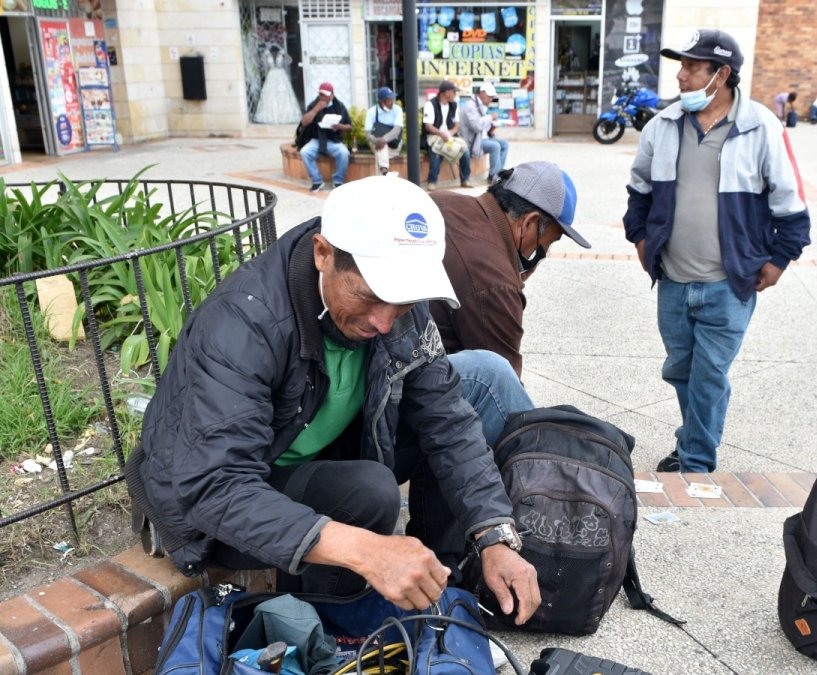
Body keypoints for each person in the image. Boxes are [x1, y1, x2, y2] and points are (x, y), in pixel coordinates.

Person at [124, 176, 541, 625]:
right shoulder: (244, 322)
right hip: (217, 501)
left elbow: (449, 421)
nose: (385, 322)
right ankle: (324, 629)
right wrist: (367, 550)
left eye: (402, 302)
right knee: (371, 493)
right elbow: (214, 488)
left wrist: (494, 535)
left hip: (309, 450)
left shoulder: (396, 296)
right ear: (323, 254)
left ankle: (437, 581)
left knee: (462, 400)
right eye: (371, 296)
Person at [623, 29, 811, 473]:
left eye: (692, 67)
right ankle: (693, 440)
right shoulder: (662, 126)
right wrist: (641, 240)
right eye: (682, 65)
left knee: (709, 374)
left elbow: (791, 204)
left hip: (729, 283)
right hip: (673, 279)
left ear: (722, 74)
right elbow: (639, 191)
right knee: (680, 370)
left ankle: (695, 460)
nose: (681, 75)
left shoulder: (761, 126)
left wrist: (779, 260)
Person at [429, 162, 591, 377]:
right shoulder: (497, 285)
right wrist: (509, 282)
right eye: (550, 240)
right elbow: (503, 388)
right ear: (529, 223)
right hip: (413, 386)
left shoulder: (440, 200)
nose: (545, 251)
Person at [297, 82, 352, 193]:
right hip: (317, 139)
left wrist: (339, 126)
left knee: (344, 153)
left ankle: (338, 181)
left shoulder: (339, 106)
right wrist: (316, 109)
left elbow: (349, 126)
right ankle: (317, 180)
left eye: (325, 95)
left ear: (331, 95)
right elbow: (304, 122)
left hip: (333, 140)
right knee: (305, 152)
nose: (323, 97)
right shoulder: (314, 105)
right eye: (321, 94)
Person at [423, 80, 473, 190]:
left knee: (464, 150)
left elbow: (457, 125)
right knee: (436, 151)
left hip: (450, 136)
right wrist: (441, 133)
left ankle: (465, 179)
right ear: (446, 93)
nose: (455, 94)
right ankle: (432, 181)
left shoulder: (454, 105)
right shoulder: (430, 104)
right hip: (434, 136)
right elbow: (428, 126)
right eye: (454, 92)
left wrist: (450, 133)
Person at [460, 81, 510, 183]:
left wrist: (492, 126)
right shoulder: (470, 105)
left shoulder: (482, 105)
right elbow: (477, 126)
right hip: (472, 141)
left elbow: (484, 128)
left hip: (482, 138)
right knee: (495, 146)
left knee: (504, 144)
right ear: (482, 93)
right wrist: (490, 117)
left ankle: (499, 174)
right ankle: (493, 176)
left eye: (492, 97)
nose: (491, 99)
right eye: (489, 96)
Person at [253, 45, 301, 125]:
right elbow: (263, 66)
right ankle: (271, 117)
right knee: (270, 95)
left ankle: (286, 116)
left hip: (281, 76)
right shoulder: (267, 53)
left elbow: (289, 61)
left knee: (283, 95)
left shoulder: (282, 52)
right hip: (271, 76)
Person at [365, 86, 403, 176]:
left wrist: (384, 140)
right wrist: (377, 141)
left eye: (393, 99)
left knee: (380, 149)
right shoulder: (371, 112)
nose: (392, 102)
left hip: (394, 146)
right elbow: (367, 133)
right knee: (382, 148)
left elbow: (397, 129)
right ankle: (384, 170)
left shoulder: (397, 110)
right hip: (376, 144)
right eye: (390, 100)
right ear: (382, 102)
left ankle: (383, 173)